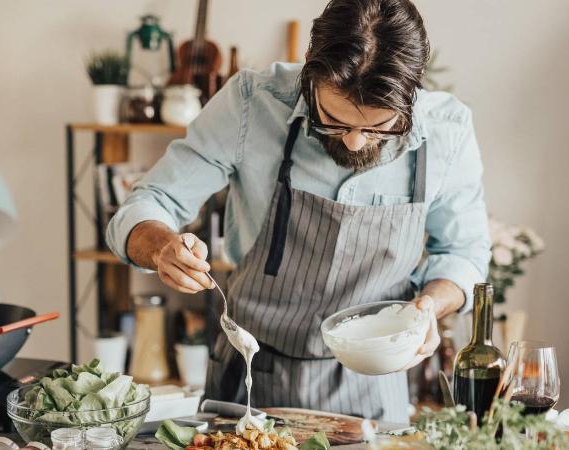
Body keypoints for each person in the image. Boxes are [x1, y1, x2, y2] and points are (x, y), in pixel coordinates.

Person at [107, 0, 491, 423]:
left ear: (414, 89)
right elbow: (148, 202)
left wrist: (428, 307)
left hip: (373, 384)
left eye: (381, 129)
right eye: (334, 121)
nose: (355, 144)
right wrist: (162, 247)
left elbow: (464, 253)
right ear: (310, 68)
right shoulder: (252, 103)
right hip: (252, 373)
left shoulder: (447, 131)